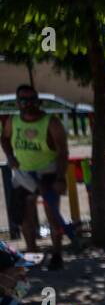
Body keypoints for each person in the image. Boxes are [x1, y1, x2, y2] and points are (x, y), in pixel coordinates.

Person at [1, 84, 74, 269]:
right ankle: (32, 254)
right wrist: (10, 156)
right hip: (23, 174)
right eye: (23, 100)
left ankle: (57, 254)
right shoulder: (13, 121)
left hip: (48, 172)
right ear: (18, 103)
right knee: (25, 218)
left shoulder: (51, 122)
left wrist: (60, 178)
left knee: (52, 215)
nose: (28, 104)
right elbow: (4, 139)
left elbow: (63, 151)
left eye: (31, 100)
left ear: (38, 101)